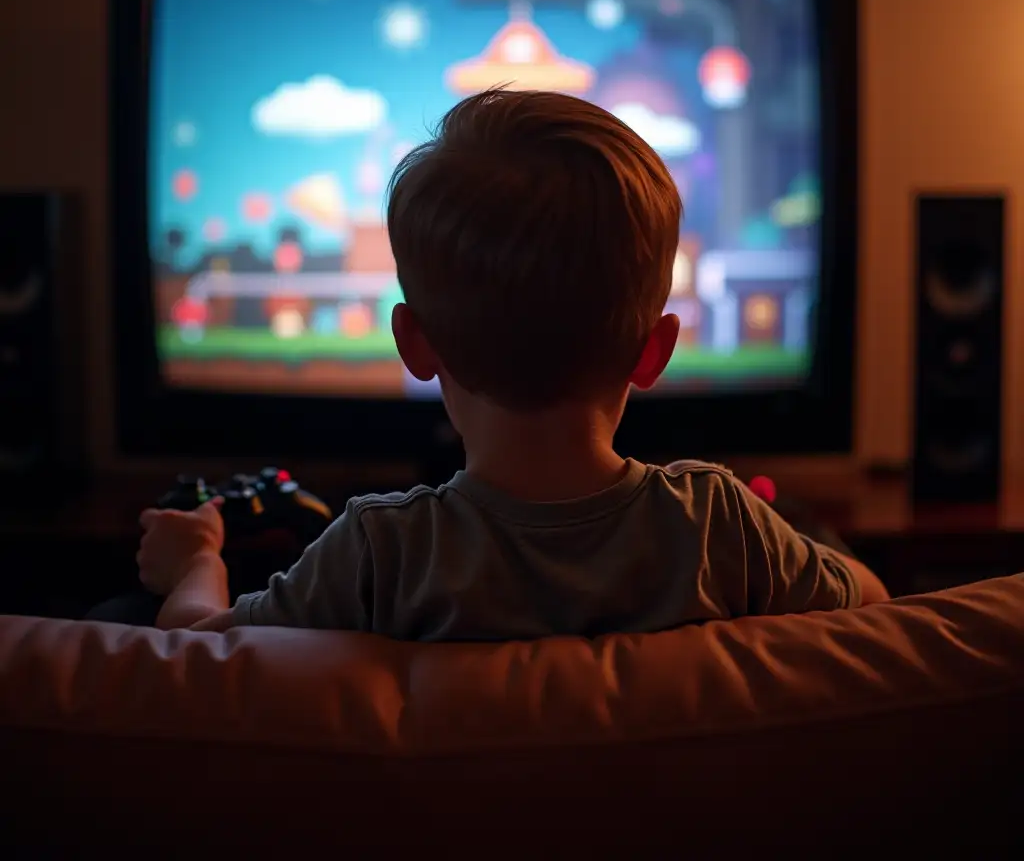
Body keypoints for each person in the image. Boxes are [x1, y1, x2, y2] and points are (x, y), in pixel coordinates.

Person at [136, 90, 889, 638]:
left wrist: (196, 560)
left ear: (415, 345)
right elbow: (877, 609)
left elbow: (194, 652)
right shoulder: (721, 525)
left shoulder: (381, 552)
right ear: (654, 351)